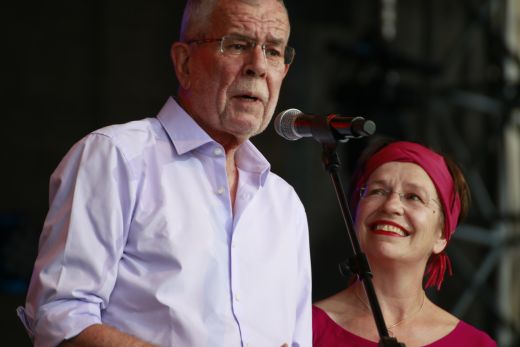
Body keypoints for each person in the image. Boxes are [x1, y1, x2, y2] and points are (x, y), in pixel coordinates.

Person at [17, 0, 312, 346]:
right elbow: (60, 318)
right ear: (184, 62)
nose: (258, 67)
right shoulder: (115, 157)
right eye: (236, 45)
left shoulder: (284, 204)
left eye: (273, 51)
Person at [313, 140, 497, 346]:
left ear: (442, 236)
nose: (391, 205)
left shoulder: (475, 344)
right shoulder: (302, 327)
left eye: (414, 197)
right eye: (377, 191)